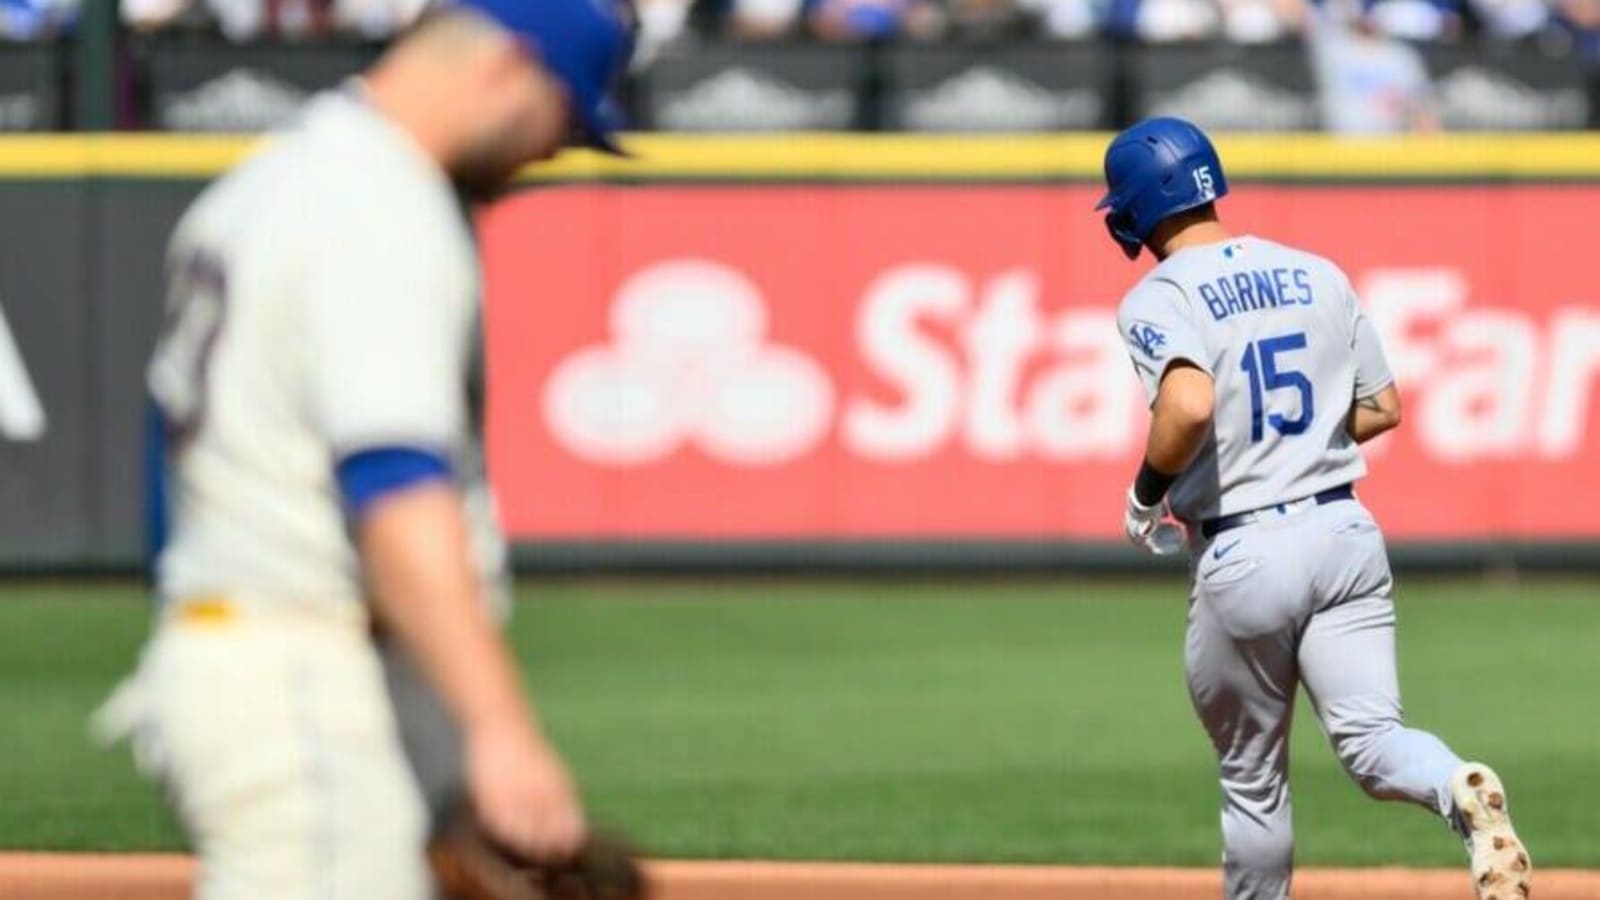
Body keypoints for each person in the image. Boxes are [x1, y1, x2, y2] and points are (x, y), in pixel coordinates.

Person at [95, 2, 634, 898]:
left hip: (259, 657)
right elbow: (394, 486)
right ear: (506, 67)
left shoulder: (276, 178)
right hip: (306, 670)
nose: (553, 149)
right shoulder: (381, 210)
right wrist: (497, 727)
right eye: (564, 115)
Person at [1100, 117, 1531, 900]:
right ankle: (1455, 785)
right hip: (1344, 532)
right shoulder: (1314, 272)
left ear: (1131, 208)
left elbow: (1189, 405)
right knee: (1375, 743)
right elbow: (1384, 405)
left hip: (1246, 549)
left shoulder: (1157, 295)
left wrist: (1144, 494)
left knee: (1254, 780)